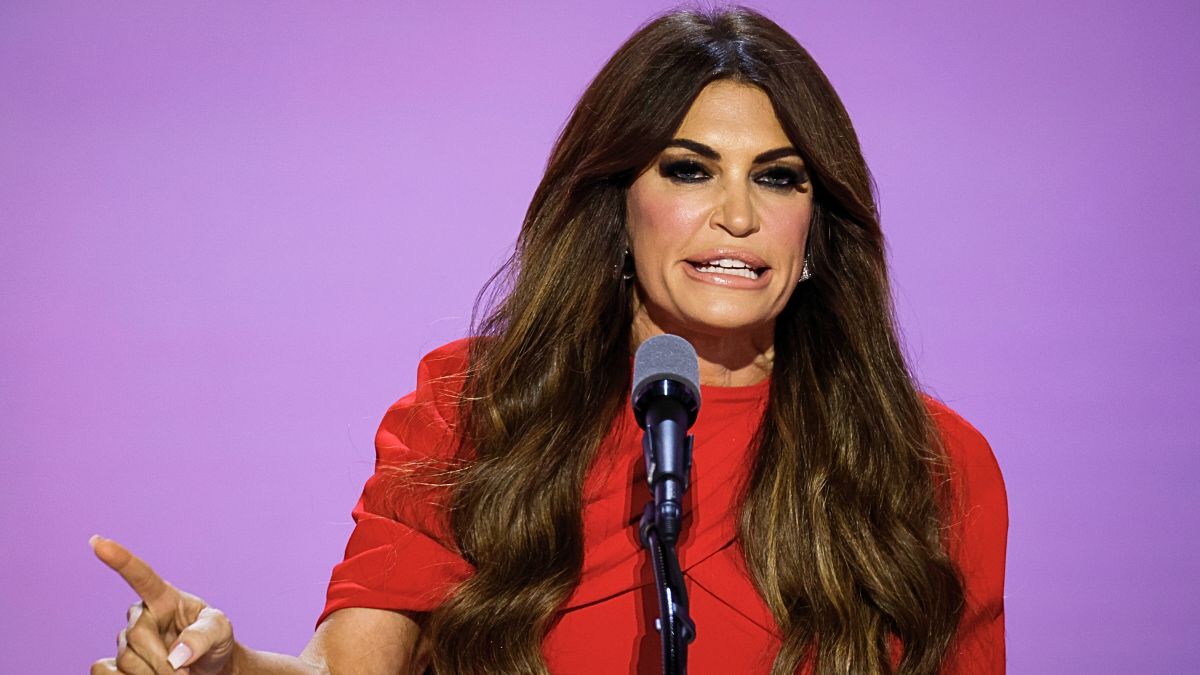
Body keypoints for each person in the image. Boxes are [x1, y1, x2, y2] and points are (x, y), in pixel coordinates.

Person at [91, 7, 1006, 675]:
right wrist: (226, 667)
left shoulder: (930, 462)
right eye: (688, 170)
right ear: (616, 207)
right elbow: (348, 670)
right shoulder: (478, 408)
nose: (736, 215)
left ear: (818, 227)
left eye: (778, 178)